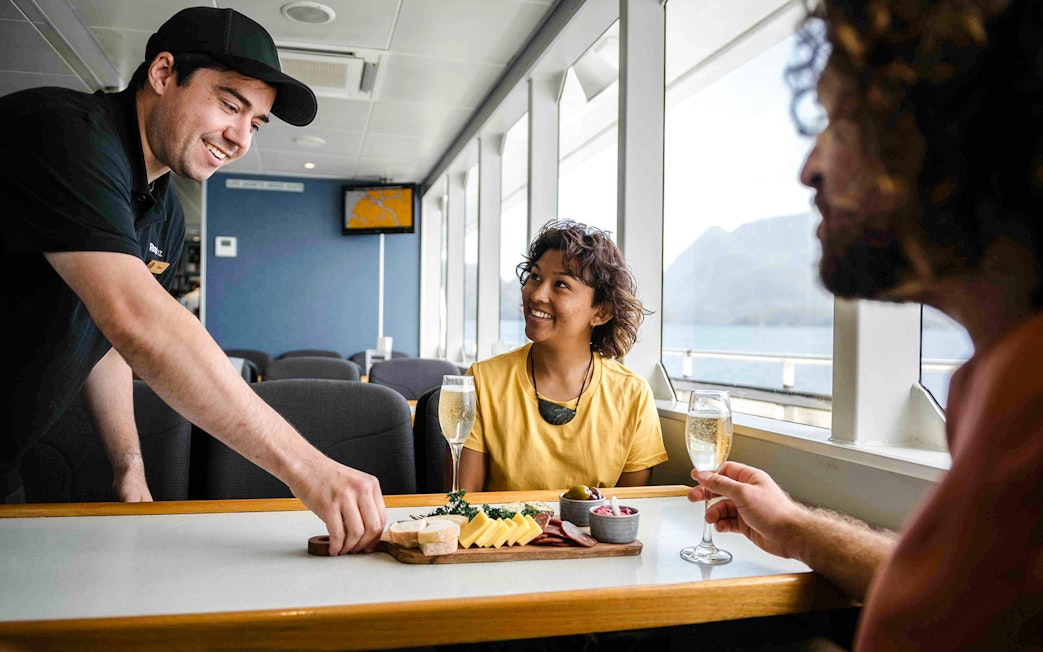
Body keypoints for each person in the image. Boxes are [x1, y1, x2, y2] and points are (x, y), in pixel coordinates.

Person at [688, 0, 1043, 648]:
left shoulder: (1029, 406)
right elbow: (955, 591)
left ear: (943, 128)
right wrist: (794, 524)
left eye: (836, 122)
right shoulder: (991, 385)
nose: (808, 168)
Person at [0, 6, 385, 555]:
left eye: (255, 124)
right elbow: (136, 321)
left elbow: (105, 335)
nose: (239, 138)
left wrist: (127, 466)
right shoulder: (64, 133)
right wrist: (307, 468)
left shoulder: (165, 214)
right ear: (162, 74)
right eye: (230, 105)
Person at [457, 219, 667, 492]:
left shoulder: (632, 395)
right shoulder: (482, 380)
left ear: (601, 312)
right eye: (535, 277)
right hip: (504, 535)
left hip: (592, 536)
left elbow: (626, 512)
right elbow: (463, 501)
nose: (537, 294)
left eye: (561, 285)